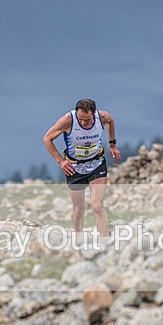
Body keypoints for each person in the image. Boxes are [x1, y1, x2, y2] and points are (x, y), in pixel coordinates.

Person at [43, 98, 120, 238]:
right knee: (79, 209)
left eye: (88, 120)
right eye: (81, 119)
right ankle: (78, 237)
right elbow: (47, 139)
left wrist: (112, 144)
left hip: (96, 164)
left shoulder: (102, 117)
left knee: (97, 205)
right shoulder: (68, 120)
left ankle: (106, 242)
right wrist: (60, 161)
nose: (84, 123)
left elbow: (110, 121)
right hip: (75, 169)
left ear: (94, 114)